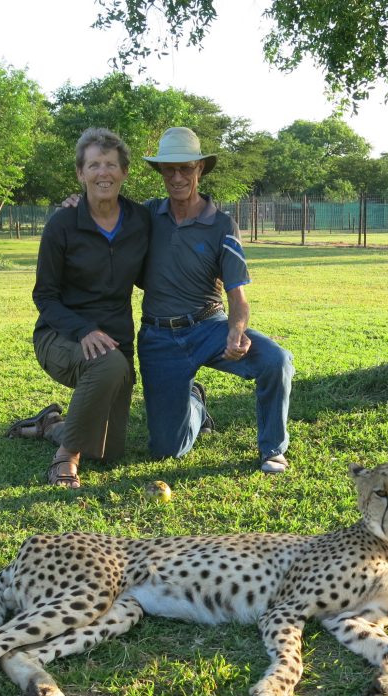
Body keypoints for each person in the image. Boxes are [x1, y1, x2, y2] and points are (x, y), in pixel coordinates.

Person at [137, 127, 294, 473]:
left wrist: (237, 331)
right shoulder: (146, 215)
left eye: (186, 168)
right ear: (161, 172)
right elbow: (104, 213)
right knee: (167, 451)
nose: (177, 177)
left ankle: (272, 449)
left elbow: (238, 296)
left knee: (276, 360)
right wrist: (78, 202)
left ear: (200, 170)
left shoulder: (222, 225)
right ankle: (195, 403)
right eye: (169, 169)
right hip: (157, 337)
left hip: (208, 326)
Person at [7, 127, 150, 488]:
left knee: (108, 452)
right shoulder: (62, 225)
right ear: (80, 173)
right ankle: (65, 457)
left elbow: (154, 270)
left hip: (117, 340)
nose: (104, 172)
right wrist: (83, 329)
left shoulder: (141, 221)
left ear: (124, 172)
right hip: (61, 336)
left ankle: (51, 425)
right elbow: (45, 296)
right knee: (108, 363)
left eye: (111, 165)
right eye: (94, 165)